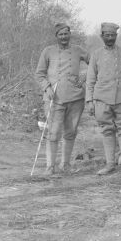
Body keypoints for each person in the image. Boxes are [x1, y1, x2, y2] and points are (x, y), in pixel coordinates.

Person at [35, 22, 90, 175]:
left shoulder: (78, 50)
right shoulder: (48, 51)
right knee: (53, 133)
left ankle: (65, 164)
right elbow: (39, 74)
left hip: (76, 98)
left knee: (70, 132)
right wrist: (47, 87)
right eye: (61, 34)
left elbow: (94, 63)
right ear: (56, 36)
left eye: (66, 34)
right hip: (54, 99)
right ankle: (50, 166)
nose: (64, 37)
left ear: (70, 34)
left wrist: (84, 76)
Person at [86, 22, 121, 175]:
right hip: (102, 99)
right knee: (107, 130)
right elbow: (90, 80)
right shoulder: (96, 55)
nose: (110, 38)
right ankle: (110, 164)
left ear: (116, 36)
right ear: (102, 36)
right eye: (107, 35)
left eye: (113, 35)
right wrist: (89, 101)